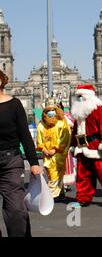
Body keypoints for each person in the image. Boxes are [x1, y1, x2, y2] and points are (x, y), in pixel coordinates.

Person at [0, 70, 43, 237]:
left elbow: (25, 135)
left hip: (11, 161)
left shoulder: (15, 104)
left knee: (16, 210)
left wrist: (33, 163)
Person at [36, 96, 71, 200]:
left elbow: (65, 137)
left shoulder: (62, 122)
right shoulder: (41, 124)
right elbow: (39, 139)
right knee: (50, 173)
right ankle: (60, 193)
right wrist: (44, 149)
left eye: (53, 110)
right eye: (49, 111)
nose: (51, 113)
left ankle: (52, 195)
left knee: (57, 172)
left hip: (58, 154)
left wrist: (55, 149)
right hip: (47, 154)